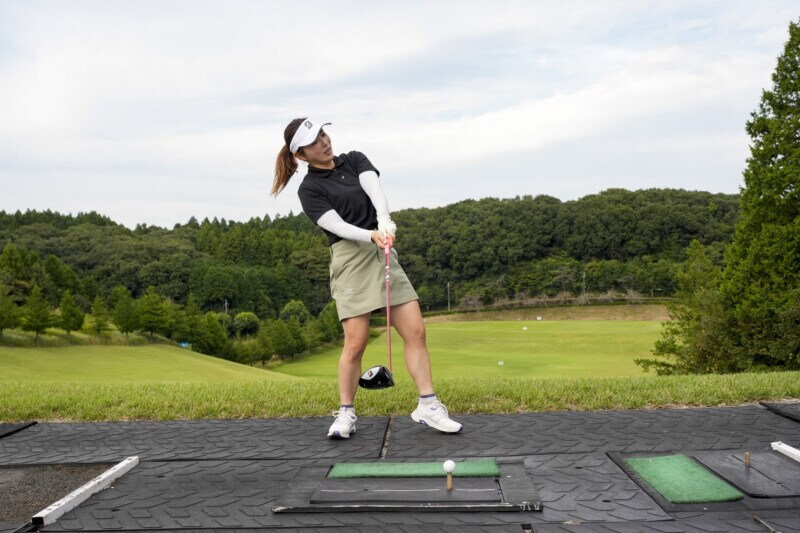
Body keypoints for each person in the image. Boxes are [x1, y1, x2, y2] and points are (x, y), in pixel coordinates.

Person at [272, 118, 463, 439]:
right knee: (356, 343)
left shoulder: (355, 159)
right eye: (313, 141)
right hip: (350, 258)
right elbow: (336, 225)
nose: (323, 142)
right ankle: (346, 413)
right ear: (301, 155)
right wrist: (371, 234)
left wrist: (384, 221)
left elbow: (374, 189)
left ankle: (428, 405)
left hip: (381, 250)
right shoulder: (310, 189)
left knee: (416, 330)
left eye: (323, 133)